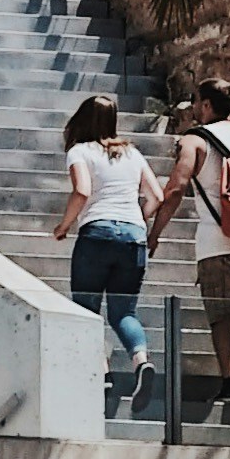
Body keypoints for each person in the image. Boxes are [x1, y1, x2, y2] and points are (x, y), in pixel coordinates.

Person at [156, 90, 230, 403]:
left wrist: (155, 231)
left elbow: (176, 189)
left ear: (207, 104)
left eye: (197, 102)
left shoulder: (194, 140)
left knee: (220, 313)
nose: (195, 108)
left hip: (216, 238)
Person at [55, 92, 157, 401]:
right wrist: (135, 222)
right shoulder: (132, 154)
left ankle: (102, 376)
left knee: (87, 311)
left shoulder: (79, 151)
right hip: (133, 237)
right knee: (124, 311)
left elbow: (82, 191)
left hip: (96, 235)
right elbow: (157, 197)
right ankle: (141, 362)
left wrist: (64, 225)